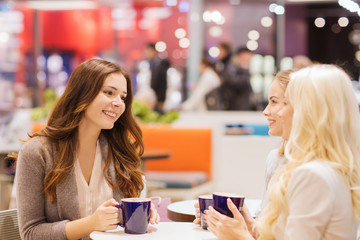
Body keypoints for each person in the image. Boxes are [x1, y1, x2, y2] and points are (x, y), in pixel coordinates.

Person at [205, 64, 360, 239]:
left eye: (286, 103)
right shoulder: (328, 168)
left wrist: (240, 236)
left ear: (310, 112)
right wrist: (250, 227)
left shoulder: (313, 175)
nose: (279, 112)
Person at [15, 59, 160, 240]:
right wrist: (91, 223)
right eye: (109, 93)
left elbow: (118, 220)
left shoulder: (118, 150)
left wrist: (136, 212)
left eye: (123, 97)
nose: (118, 103)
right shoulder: (37, 152)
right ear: (81, 94)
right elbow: (30, 233)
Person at [194, 69, 293, 229]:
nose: (265, 111)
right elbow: (265, 226)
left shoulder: (311, 172)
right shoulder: (275, 159)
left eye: (274, 102)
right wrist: (240, 220)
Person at [143, 43, 170, 113]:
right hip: (155, 97)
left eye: (148, 51)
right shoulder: (154, 63)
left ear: (154, 51)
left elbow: (161, 84)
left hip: (158, 98)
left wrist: (159, 99)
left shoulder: (159, 64)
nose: (146, 54)